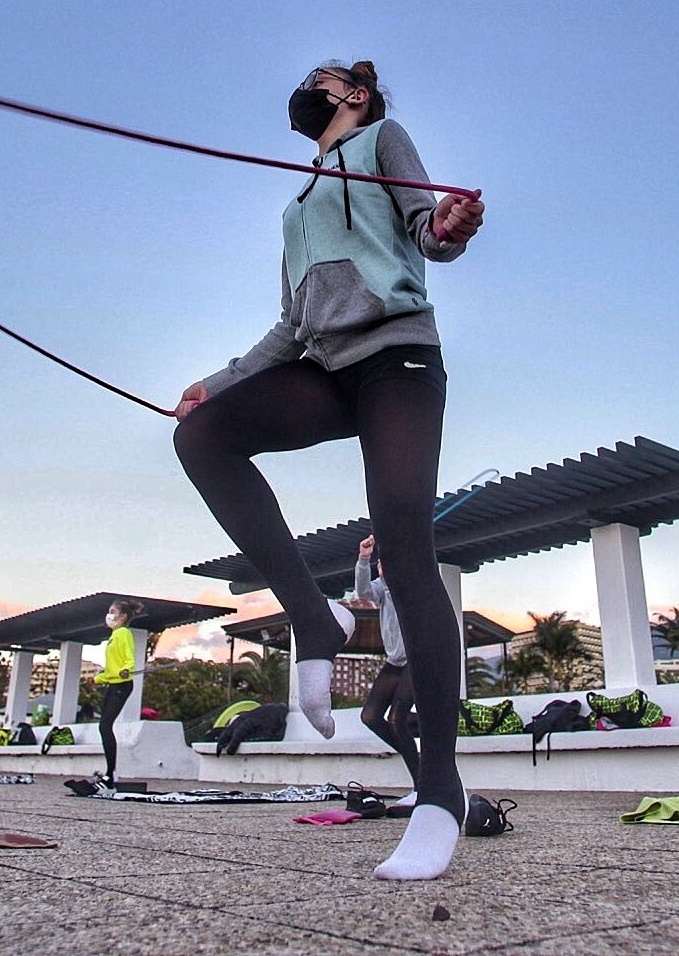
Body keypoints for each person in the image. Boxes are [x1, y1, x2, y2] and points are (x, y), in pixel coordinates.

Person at [172, 60, 484, 881]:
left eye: (324, 78)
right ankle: (315, 617)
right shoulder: (296, 200)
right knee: (203, 436)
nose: (307, 86)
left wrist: (447, 228)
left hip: (397, 360)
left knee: (408, 549)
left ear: (353, 96)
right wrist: (222, 380)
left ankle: (439, 796)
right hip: (323, 366)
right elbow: (290, 323)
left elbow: (426, 233)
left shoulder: (384, 137)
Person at [355, 535, 419, 810]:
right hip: (395, 661)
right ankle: (415, 745)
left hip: (418, 659)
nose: (382, 567)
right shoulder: (382, 587)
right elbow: (362, 592)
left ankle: (422, 785)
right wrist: (364, 559)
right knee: (369, 716)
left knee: (396, 719)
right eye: (380, 563)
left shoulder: (412, 583)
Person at [96, 599, 143, 788]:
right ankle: (109, 773)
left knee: (105, 725)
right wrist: (98, 679)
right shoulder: (113, 636)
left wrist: (126, 669)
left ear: (122, 616)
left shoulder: (124, 633)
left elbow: (129, 658)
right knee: (103, 726)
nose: (109, 615)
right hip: (113, 684)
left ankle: (110, 774)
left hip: (123, 684)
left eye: (113, 611)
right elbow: (110, 670)